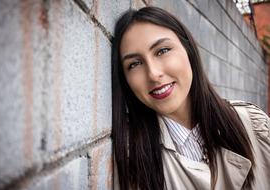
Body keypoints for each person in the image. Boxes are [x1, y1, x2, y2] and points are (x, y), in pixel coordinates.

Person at [111, 6, 270, 190]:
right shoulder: (133, 158)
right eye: (135, 64)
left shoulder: (252, 125)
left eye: (162, 51)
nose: (153, 74)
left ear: (188, 50)